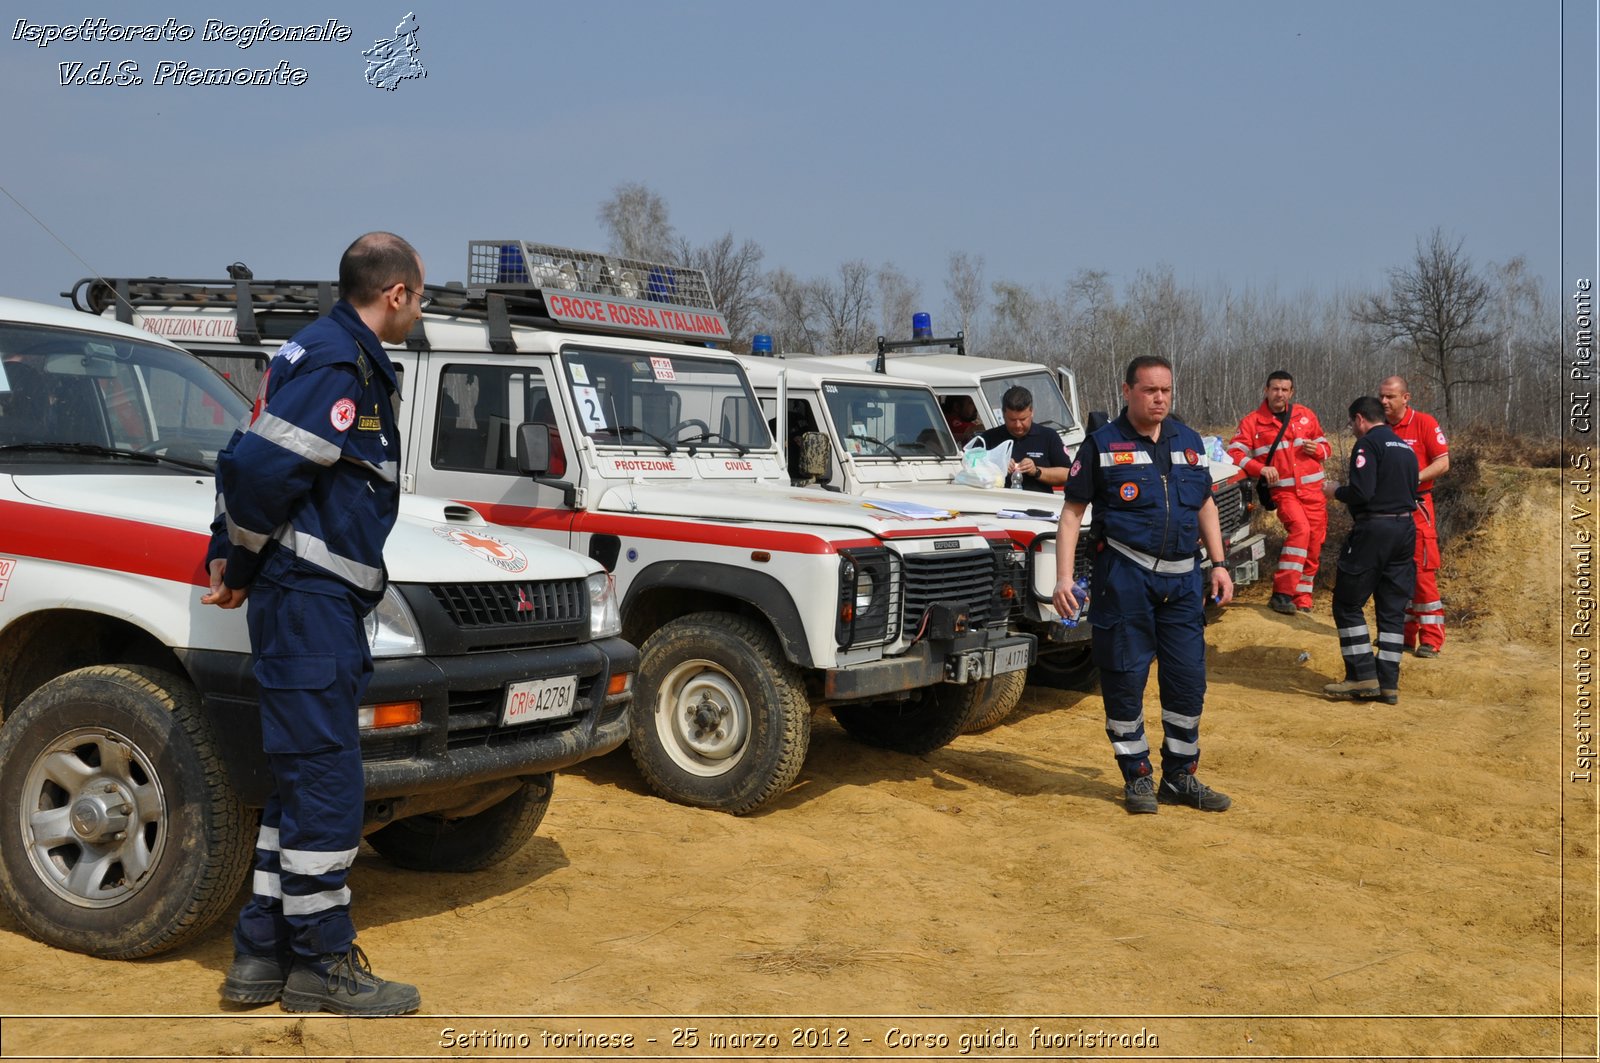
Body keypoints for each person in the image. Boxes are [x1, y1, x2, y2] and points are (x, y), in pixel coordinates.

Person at [204, 233, 425, 1017]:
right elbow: (262, 469)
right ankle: (325, 963)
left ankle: (261, 956)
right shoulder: (339, 363)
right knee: (329, 783)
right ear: (395, 292)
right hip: (310, 606)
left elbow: (245, 450)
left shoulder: (312, 351)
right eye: (419, 296)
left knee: (298, 786)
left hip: (308, 603)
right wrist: (241, 558)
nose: (419, 310)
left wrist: (233, 555)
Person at [1052, 355, 1234, 814]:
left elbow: (1205, 506)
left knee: (1188, 682)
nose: (1159, 398)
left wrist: (1219, 563)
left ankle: (1180, 776)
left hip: (1184, 585)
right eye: (1150, 390)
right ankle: (1137, 776)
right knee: (1125, 679)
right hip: (1125, 580)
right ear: (1127, 390)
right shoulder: (1101, 445)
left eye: (1166, 391)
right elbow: (1072, 515)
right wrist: (1062, 578)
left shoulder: (1189, 442)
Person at [1322, 395, 1419, 706]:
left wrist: (1335, 490)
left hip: (1374, 530)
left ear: (1361, 419)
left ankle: (1361, 674)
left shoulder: (1367, 445)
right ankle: (1388, 684)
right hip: (1405, 531)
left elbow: (1362, 492)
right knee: (1391, 611)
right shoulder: (1406, 448)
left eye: (1352, 423)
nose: (1352, 428)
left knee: (1347, 604)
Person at [1226, 370, 1331, 615]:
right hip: (1285, 492)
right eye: (1275, 389)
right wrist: (1259, 468)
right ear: (1266, 391)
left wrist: (1317, 449)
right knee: (1300, 531)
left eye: (1285, 390)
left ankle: (1302, 599)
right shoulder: (1252, 422)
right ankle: (1282, 593)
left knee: (1314, 544)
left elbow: (1326, 448)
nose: (1279, 394)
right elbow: (1234, 454)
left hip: (1314, 492)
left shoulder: (1306, 415)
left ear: (1291, 392)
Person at [1379, 375, 1450, 658]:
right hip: (1385, 509)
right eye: (1381, 396)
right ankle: (1402, 636)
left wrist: (1411, 479)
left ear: (1406, 398)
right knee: (1393, 576)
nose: (1384, 401)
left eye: (1390, 397)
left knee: (1421, 574)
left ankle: (1431, 639)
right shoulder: (1379, 427)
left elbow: (1443, 462)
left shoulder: (1424, 423)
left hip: (1416, 506)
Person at [977, 385, 1070, 493]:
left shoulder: (1048, 436)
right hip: (999, 504)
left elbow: (1067, 474)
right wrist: (997, 468)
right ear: (1003, 414)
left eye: (1022, 419)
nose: (1018, 425)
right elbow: (970, 471)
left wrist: (1036, 471)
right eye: (1012, 420)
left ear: (1032, 413)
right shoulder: (988, 438)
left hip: (1038, 504)